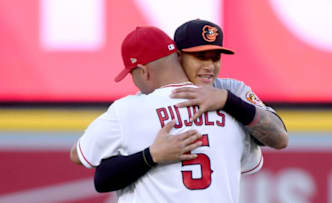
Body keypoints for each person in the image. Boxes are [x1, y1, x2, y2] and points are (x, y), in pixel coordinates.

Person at [70, 19, 288, 192]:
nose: (210, 67)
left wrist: (227, 101)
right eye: (200, 57)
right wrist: (151, 156)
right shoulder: (140, 107)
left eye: (215, 58)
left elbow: (280, 139)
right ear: (177, 56)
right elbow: (102, 178)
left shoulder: (231, 92)